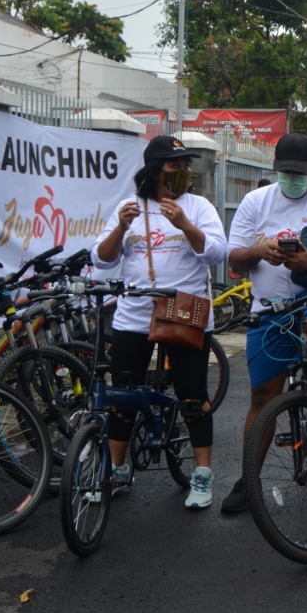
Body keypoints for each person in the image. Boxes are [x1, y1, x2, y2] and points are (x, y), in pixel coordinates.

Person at [218, 133, 307, 514]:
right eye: (285, 172)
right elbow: (234, 258)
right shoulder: (255, 202)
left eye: (300, 173)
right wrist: (258, 251)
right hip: (270, 307)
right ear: (275, 170)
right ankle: (250, 480)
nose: (292, 179)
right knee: (262, 399)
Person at [93, 135, 228, 510]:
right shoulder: (129, 208)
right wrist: (119, 229)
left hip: (184, 314)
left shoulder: (198, 206)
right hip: (133, 317)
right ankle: (117, 469)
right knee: (122, 395)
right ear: (154, 171)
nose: (183, 171)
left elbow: (217, 253)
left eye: (186, 165)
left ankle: (202, 475)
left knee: (192, 395)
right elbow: (102, 261)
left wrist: (185, 224)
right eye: (175, 165)